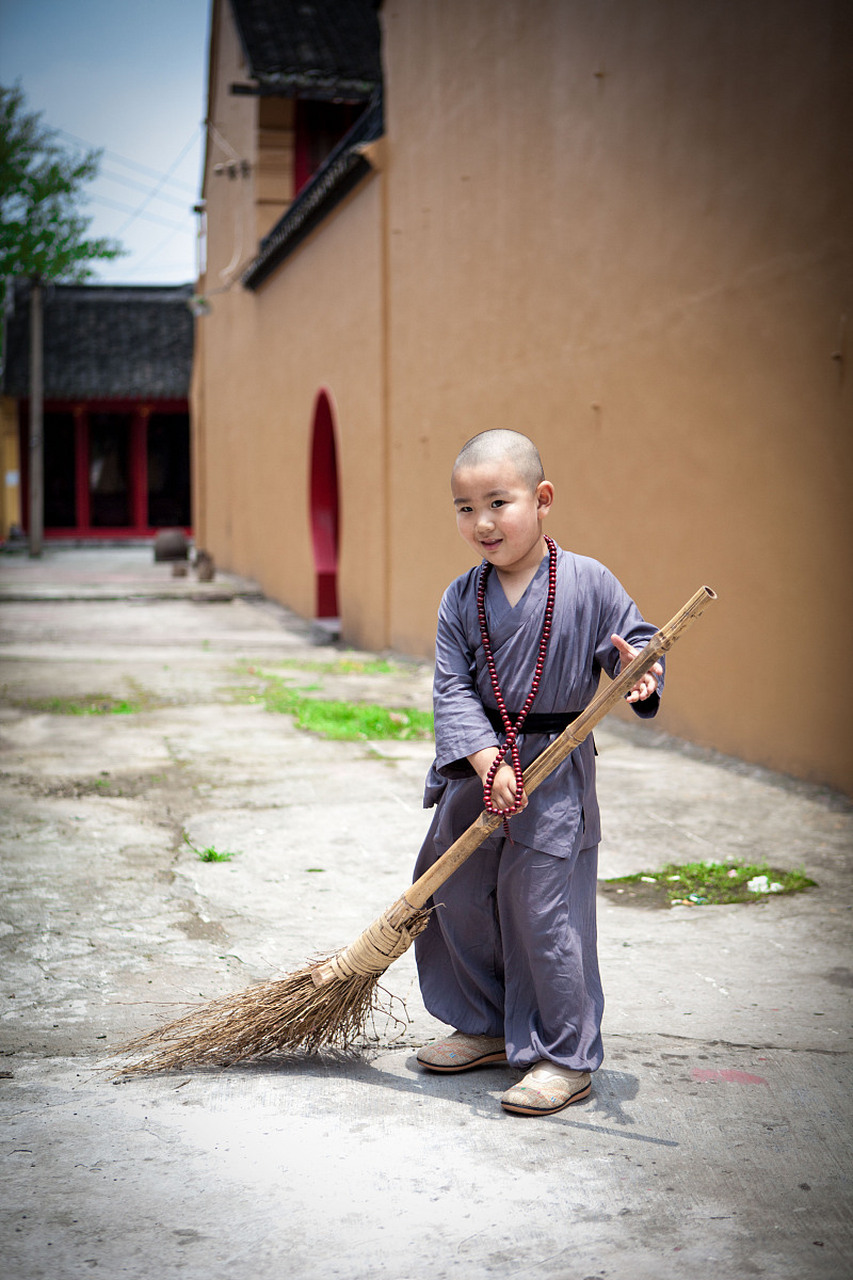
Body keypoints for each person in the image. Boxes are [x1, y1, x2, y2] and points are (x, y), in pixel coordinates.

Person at [412, 428, 663, 1117]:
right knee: (459, 899)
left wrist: (637, 673)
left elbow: (633, 643)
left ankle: (564, 1056)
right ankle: (487, 1025)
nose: (482, 522)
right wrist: (487, 759)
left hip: (551, 774)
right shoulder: (460, 598)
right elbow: (451, 689)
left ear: (542, 498)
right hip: (478, 771)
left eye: (498, 501)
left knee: (544, 910)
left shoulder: (588, 582)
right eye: (464, 508)